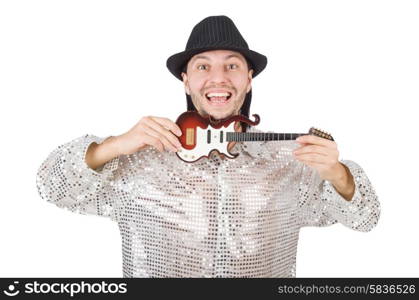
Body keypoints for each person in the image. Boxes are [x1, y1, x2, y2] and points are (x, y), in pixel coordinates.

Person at [36, 15, 380, 277]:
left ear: (248, 80)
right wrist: (116, 144)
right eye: (203, 66)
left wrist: (338, 174)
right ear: (186, 81)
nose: (218, 77)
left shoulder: (289, 162)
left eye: (232, 65)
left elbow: (366, 219)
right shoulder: (138, 162)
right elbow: (51, 185)